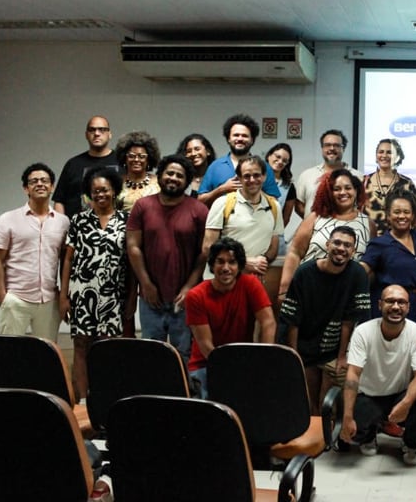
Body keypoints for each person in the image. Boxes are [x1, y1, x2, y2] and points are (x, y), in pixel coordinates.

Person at [59, 167, 135, 398]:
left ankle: (107, 398)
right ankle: (82, 401)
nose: (100, 194)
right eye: (95, 191)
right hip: (81, 293)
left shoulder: (127, 220)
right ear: (89, 195)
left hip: (114, 296)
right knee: (81, 346)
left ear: (114, 191)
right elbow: (68, 259)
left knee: (109, 348)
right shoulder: (79, 220)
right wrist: (64, 296)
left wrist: (132, 298)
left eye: (104, 190)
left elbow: (132, 264)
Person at [126, 155, 209, 363]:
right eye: (169, 173)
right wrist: (146, 284)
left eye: (180, 176)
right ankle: (155, 394)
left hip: (185, 299)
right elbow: (133, 247)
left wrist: (189, 287)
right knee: (152, 355)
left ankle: (184, 394)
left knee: (184, 355)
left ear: (187, 181)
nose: (173, 178)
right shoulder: (142, 206)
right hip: (150, 297)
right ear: (160, 176)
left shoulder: (198, 210)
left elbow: (204, 253)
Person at [280, 226, 370, 415]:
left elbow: (350, 319)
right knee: (307, 401)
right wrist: (294, 356)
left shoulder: (357, 274)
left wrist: (342, 356)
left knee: (327, 404)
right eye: (337, 243)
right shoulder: (305, 273)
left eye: (347, 245)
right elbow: (292, 319)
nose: (341, 249)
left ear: (353, 251)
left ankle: (327, 434)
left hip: (334, 346)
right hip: (304, 343)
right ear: (328, 245)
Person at [340, 285, 416, 466]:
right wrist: (347, 417)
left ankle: (410, 444)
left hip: (400, 394)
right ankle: (368, 436)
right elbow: (353, 374)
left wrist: (405, 404)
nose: (396, 306)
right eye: (390, 301)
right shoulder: (363, 332)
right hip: (369, 395)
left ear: (408, 307)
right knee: (357, 424)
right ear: (380, 305)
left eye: (402, 302)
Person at [185, 237, 276, 399]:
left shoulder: (251, 284)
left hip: (242, 361)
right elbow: (206, 345)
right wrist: (230, 374)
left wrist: (264, 358)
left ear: (239, 266)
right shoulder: (195, 296)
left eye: (232, 262)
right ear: (212, 265)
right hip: (205, 364)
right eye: (220, 261)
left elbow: (268, 322)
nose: (226, 268)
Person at [0, 163, 69, 341]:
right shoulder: (8, 219)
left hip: (48, 300)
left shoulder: (63, 222)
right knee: (9, 353)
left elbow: (66, 261)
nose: (40, 184)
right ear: (26, 188)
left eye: (45, 181)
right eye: (34, 181)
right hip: (16, 298)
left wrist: (62, 294)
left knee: (46, 354)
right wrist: (3, 296)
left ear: (52, 187)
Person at [280, 169, 375, 302]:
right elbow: (295, 253)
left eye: (348, 188)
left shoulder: (368, 224)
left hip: (346, 297)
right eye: (337, 189)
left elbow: (371, 264)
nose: (343, 192)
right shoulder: (315, 218)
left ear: (356, 191)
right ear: (329, 193)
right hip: (310, 290)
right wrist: (284, 289)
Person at [201, 156, 282, 300]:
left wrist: (261, 262)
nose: (252, 180)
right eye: (246, 176)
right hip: (220, 284)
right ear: (239, 178)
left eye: (256, 175)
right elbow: (208, 248)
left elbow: (273, 247)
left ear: (264, 177)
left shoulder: (274, 207)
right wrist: (245, 262)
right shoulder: (222, 203)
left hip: (251, 285)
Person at [360, 192, 416, 326]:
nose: (402, 216)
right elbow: (360, 271)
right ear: (388, 216)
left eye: (406, 212)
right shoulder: (380, 243)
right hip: (389, 310)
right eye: (397, 212)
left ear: (413, 215)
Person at [198, 114, 281, 207]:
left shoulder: (264, 167)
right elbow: (200, 201)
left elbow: (274, 202)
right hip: (222, 221)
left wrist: (253, 188)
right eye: (236, 135)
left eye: (245, 136)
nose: (240, 139)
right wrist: (221, 189)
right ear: (229, 139)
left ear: (252, 140)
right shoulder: (215, 166)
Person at [53, 116, 120, 217]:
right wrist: (61, 228)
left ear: (109, 134)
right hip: (79, 230)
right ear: (86, 135)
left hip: (117, 229)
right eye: (92, 130)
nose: (97, 133)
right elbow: (59, 201)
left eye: (102, 129)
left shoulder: (122, 161)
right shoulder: (73, 164)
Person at [363, 138, 416, 235]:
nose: (384, 155)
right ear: (376, 156)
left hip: (399, 243)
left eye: (389, 152)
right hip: (369, 242)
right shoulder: (363, 182)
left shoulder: (407, 183)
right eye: (381, 152)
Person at [295, 129, 362, 218]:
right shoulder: (306, 175)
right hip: (314, 230)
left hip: (347, 230)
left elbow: (362, 205)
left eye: (337, 145)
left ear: (343, 148)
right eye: (327, 145)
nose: (332, 148)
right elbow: (299, 206)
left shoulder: (358, 176)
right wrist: (315, 222)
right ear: (322, 148)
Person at [115, 130, 161, 211]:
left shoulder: (159, 183)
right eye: (131, 156)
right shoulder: (116, 183)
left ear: (149, 159)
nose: (136, 160)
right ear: (124, 158)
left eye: (141, 156)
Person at [265, 142, 297, 226]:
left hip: (274, 233)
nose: (280, 162)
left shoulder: (288, 187)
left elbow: (285, 218)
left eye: (284, 161)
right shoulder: (254, 178)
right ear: (269, 156)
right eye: (277, 157)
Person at [176, 133, 217, 198]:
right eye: (189, 151)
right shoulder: (180, 179)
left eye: (197, 149)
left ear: (208, 151)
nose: (193, 153)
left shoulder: (217, 176)